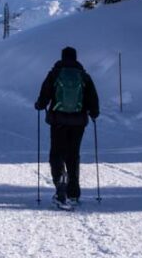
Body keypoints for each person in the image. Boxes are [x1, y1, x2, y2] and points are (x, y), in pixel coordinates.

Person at [34, 46, 100, 210]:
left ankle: (60, 184)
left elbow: (45, 95)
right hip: (78, 122)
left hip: (58, 121)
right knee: (73, 155)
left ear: (62, 57)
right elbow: (93, 97)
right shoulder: (83, 75)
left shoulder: (55, 73)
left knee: (56, 153)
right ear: (76, 57)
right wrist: (94, 113)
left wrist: (40, 105)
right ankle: (73, 193)